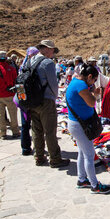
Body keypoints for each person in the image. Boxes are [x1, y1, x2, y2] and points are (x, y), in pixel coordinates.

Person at [66, 64, 110, 194]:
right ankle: (94, 185)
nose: (94, 83)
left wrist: (92, 93)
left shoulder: (75, 81)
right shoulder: (81, 85)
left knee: (82, 152)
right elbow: (91, 102)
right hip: (79, 125)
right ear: (89, 76)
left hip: (76, 123)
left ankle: (82, 179)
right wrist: (95, 95)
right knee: (89, 155)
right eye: (94, 79)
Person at [29, 39, 70, 168]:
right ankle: (55, 159)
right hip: (46, 101)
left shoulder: (31, 60)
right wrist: (55, 97)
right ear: (46, 49)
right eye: (52, 50)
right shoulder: (48, 63)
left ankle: (39, 157)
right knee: (50, 131)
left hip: (32, 100)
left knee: (36, 130)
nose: (53, 53)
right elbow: (53, 84)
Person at [15, 46, 39, 155]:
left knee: (25, 125)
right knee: (36, 125)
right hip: (34, 99)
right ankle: (38, 150)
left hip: (22, 98)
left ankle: (25, 148)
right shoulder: (36, 66)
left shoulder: (22, 67)